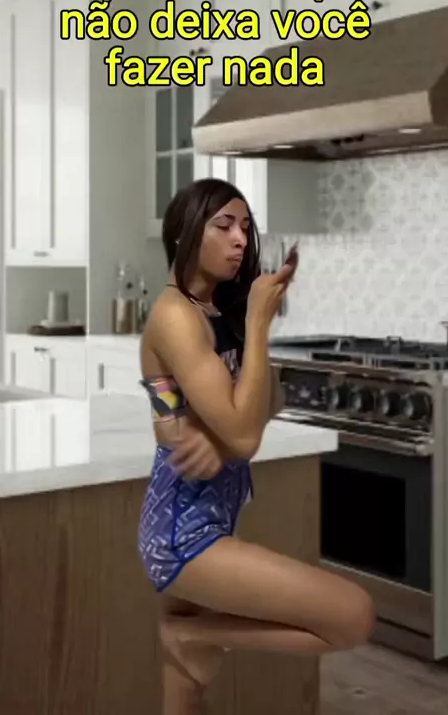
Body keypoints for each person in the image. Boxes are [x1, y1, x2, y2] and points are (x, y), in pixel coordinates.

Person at [138, 178, 376, 715]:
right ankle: (189, 634)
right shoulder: (175, 314)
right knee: (352, 616)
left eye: (245, 227)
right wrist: (259, 323)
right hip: (182, 532)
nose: (240, 239)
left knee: (186, 693)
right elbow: (245, 433)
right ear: (183, 234)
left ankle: (189, 640)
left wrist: (219, 439)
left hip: (211, 516)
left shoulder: (213, 311)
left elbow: (267, 404)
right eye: (224, 225)